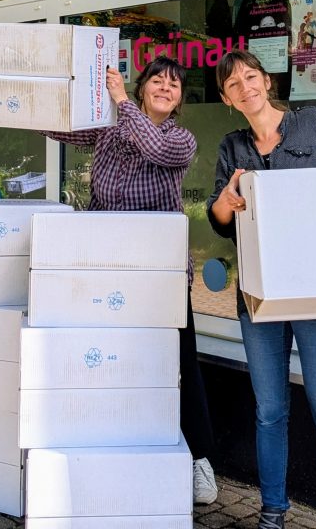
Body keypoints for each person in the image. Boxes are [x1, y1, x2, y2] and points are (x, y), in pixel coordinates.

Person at [206, 49, 316, 529]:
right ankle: (273, 513)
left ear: (267, 80)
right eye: (233, 84)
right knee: (270, 411)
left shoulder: (312, 125)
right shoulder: (231, 147)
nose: (245, 87)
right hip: (256, 298)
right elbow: (220, 224)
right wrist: (223, 203)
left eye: (250, 77)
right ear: (227, 99)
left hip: (314, 293)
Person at [43, 56, 219, 504]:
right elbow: (61, 127)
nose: (165, 86)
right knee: (113, 357)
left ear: (179, 100)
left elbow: (152, 149)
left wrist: (121, 100)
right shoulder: (108, 129)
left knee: (179, 361)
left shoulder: (180, 139)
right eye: (157, 79)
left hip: (158, 271)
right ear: (144, 88)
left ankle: (199, 459)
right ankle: (113, 444)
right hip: (105, 265)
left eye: (174, 84)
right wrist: (24, 102)